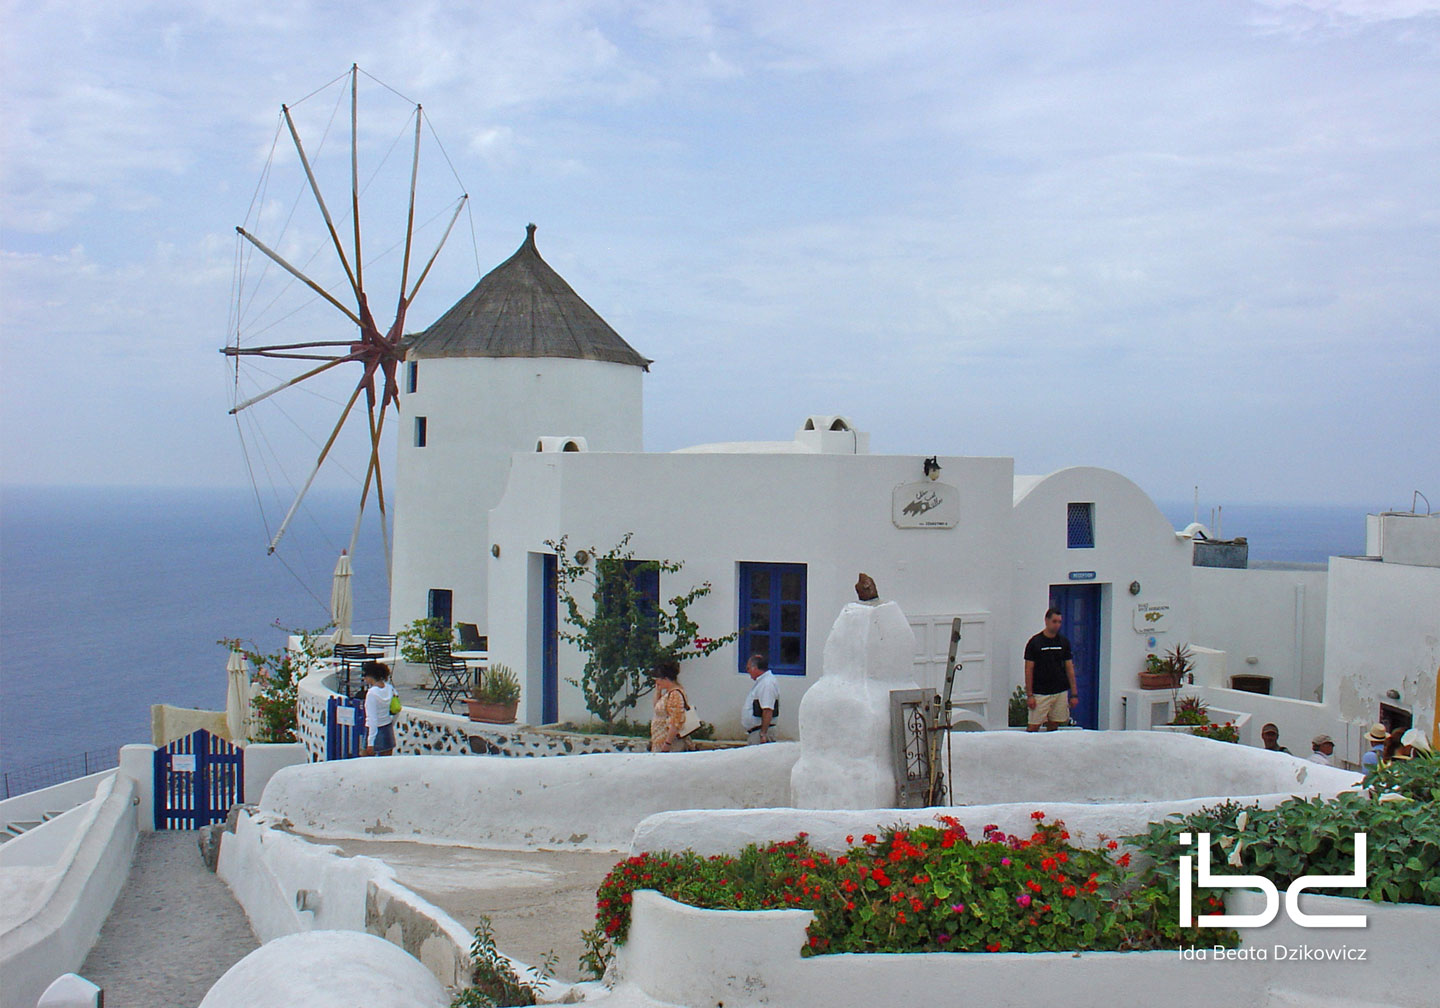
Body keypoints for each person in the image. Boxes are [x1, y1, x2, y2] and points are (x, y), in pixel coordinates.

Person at [1023, 608, 1078, 732]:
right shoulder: (1035, 642)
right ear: (1046, 621)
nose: (1057, 625)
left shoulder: (1064, 642)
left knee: (1054, 724)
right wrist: (1030, 695)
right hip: (1040, 692)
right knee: (1033, 725)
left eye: (1059, 622)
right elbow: (1028, 670)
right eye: (1054, 621)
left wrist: (1074, 693)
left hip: (1059, 691)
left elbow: (1069, 668)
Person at [649, 660, 691, 753]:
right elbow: (656, 707)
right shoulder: (668, 693)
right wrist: (658, 691)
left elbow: (675, 721)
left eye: (658, 679)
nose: (656, 681)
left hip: (669, 744)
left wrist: (667, 743)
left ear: (665, 678)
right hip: (660, 741)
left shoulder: (675, 694)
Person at [741, 654, 779, 744]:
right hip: (756, 732)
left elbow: (767, 710)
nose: (748, 672)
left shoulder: (767, 683)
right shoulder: (762, 682)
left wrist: (763, 734)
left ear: (755, 668)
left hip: (760, 733)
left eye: (748, 668)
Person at [361, 661, 396, 757]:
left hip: (373, 730)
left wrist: (370, 742)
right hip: (387, 727)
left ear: (370, 676)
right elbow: (397, 709)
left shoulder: (371, 693)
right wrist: (391, 723)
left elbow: (372, 719)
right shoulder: (390, 689)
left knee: (364, 762)